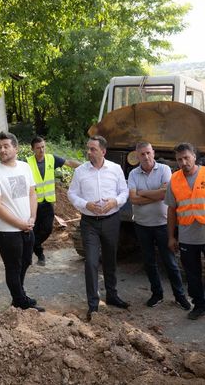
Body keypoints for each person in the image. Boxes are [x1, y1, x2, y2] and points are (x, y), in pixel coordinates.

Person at [68, 135, 130, 320]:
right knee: (92, 262)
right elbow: (72, 194)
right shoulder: (80, 171)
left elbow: (124, 191)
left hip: (111, 220)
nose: (89, 152)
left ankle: (112, 296)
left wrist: (115, 202)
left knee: (110, 260)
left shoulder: (115, 169)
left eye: (93, 149)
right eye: (88, 148)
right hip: (89, 223)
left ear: (103, 151)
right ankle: (93, 305)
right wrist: (86, 204)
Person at [165, 142, 205, 324]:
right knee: (192, 276)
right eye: (179, 159)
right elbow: (171, 210)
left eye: (187, 157)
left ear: (194, 156)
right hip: (187, 237)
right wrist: (171, 236)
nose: (183, 162)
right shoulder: (174, 179)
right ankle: (199, 305)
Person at [0, 131, 44, 312]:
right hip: (7, 231)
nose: (2, 150)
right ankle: (20, 300)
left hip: (27, 226)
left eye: (6, 146)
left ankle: (19, 296)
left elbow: (32, 193)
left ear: (15, 148)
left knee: (26, 261)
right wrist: (19, 224)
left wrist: (32, 218)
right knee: (13, 266)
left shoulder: (25, 167)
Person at [127, 142, 190, 310]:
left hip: (162, 225)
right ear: (137, 156)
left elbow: (165, 194)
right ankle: (157, 294)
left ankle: (179, 296)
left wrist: (143, 193)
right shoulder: (133, 173)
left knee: (170, 262)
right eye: (142, 154)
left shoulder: (164, 170)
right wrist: (156, 194)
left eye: (148, 153)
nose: (146, 157)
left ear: (153, 153)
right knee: (149, 262)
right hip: (142, 225)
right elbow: (133, 199)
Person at [27, 136, 80, 266]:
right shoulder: (27, 163)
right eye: (38, 148)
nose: (41, 150)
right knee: (33, 231)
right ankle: (40, 256)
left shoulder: (51, 159)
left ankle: (29, 248)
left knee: (47, 229)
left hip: (47, 203)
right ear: (32, 149)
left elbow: (69, 163)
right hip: (32, 204)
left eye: (43, 147)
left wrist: (86, 166)